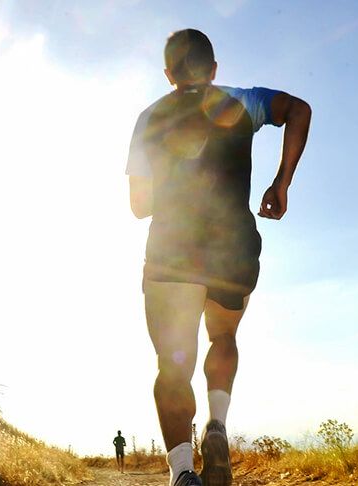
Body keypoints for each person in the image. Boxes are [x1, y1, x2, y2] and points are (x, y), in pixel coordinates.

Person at [125, 29, 312, 486]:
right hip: (234, 246)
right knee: (223, 336)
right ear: (213, 69)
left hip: (173, 250)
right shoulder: (243, 102)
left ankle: (183, 472)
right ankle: (217, 425)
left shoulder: (149, 119)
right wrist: (281, 183)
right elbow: (299, 109)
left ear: (168, 74)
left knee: (173, 365)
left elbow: (139, 206)